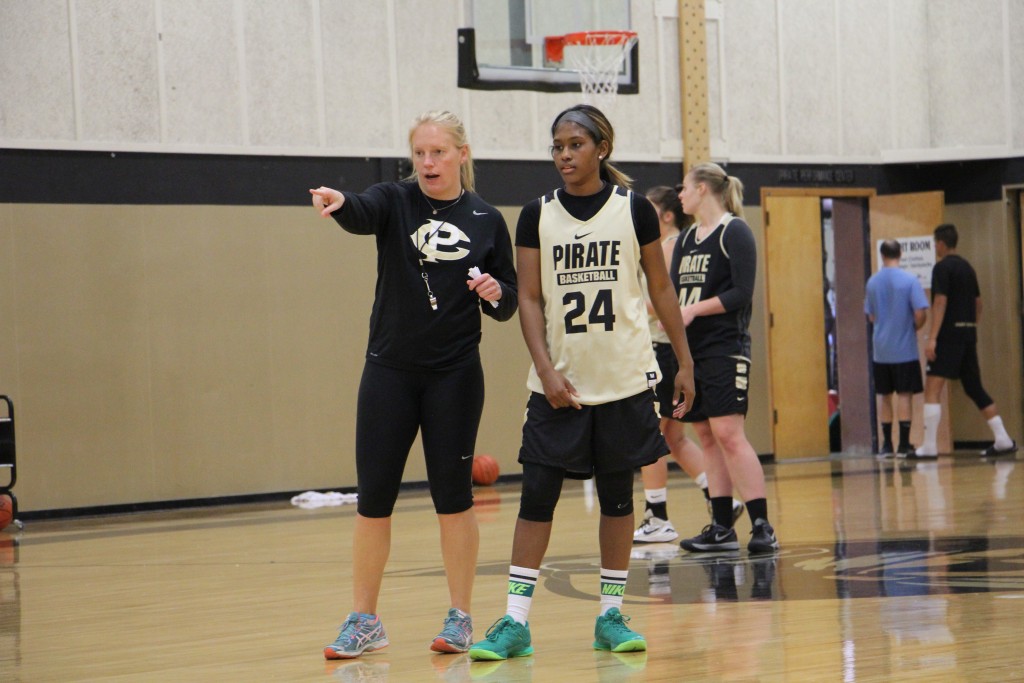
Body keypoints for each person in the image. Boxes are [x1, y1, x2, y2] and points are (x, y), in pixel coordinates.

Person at [468, 104, 695, 661]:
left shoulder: (634, 210)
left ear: (601, 148)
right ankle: (516, 621)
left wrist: (685, 362)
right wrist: (545, 369)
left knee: (619, 499)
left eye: (574, 144)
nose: (564, 155)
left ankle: (610, 616)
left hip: (624, 378)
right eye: (557, 146)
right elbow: (526, 297)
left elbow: (662, 289)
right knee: (537, 496)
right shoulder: (535, 214)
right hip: (559, 384)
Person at [309, 110, 518, 659]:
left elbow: (508, 302)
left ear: (462, 155)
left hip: (453, 375)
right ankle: (364, 620)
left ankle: (461, 617)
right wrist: (339, 203)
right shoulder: (395, 200)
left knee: (453, 500)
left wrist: (496, 290)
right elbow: (361, 212)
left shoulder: (486, 220)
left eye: (438, 152)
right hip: (389, 372)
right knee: (373, 499)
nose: (428, 162)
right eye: (420, 153)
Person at [671, 162, 779, 554]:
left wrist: (695, 310)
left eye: (683, 188)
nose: (679, 195)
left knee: (729, 434)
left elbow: (741, 293)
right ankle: (721, 527)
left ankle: (762, 525)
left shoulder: (735, 231)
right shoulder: (684, 241)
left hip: (725, 346)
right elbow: (673, 295)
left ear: (702, 189)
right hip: (691, 350)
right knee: (705, 435)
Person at [633, 186, 742, 545]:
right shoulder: (678, 242)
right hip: (666, 348)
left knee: (651, 435)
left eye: (648, 208)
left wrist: (627, 301)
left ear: (665, 215)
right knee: (673, 436)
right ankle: (718, 495)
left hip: (661, 349)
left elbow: (665, 302)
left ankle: (657, 516)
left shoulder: (669, 246)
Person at [916, 223, 1016, 457]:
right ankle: (1002, 439)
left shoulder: (941, 268)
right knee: (974, 387)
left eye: (935, 244)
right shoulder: (968, 268)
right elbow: (978, 304)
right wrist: (970, 327)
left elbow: (940, 302)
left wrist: (933, 338)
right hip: (968, 334)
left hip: (948, 335)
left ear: (940, 243)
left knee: (932, 388)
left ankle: (929, 446)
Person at [864, 239, 929, 457]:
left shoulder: (872, 282)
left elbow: (871, 316)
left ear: (882, 255)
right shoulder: (910, 280)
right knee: (904, 395)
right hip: (905, 349)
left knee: (884, 396)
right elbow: (920, 313)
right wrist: (912, 326)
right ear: (900, 254)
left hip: (881, 349)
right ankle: (903, 444)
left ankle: (885, 446)